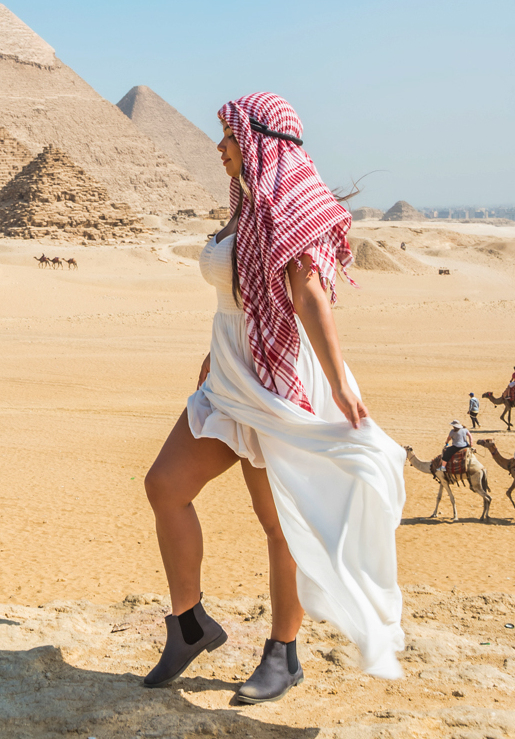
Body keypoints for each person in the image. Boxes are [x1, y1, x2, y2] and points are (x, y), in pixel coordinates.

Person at [142, 92, 406, 704]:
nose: (218, 146)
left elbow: (309, 292)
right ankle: (189, 626)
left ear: (258, 138)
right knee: (165, 486)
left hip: (276, 377)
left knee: (279, 524)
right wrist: (214, 351)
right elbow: (238, 297)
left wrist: (339, 379)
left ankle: (282, 654)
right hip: (228, 377)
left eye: (228, 136)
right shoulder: (244, 207)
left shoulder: (287, 209)